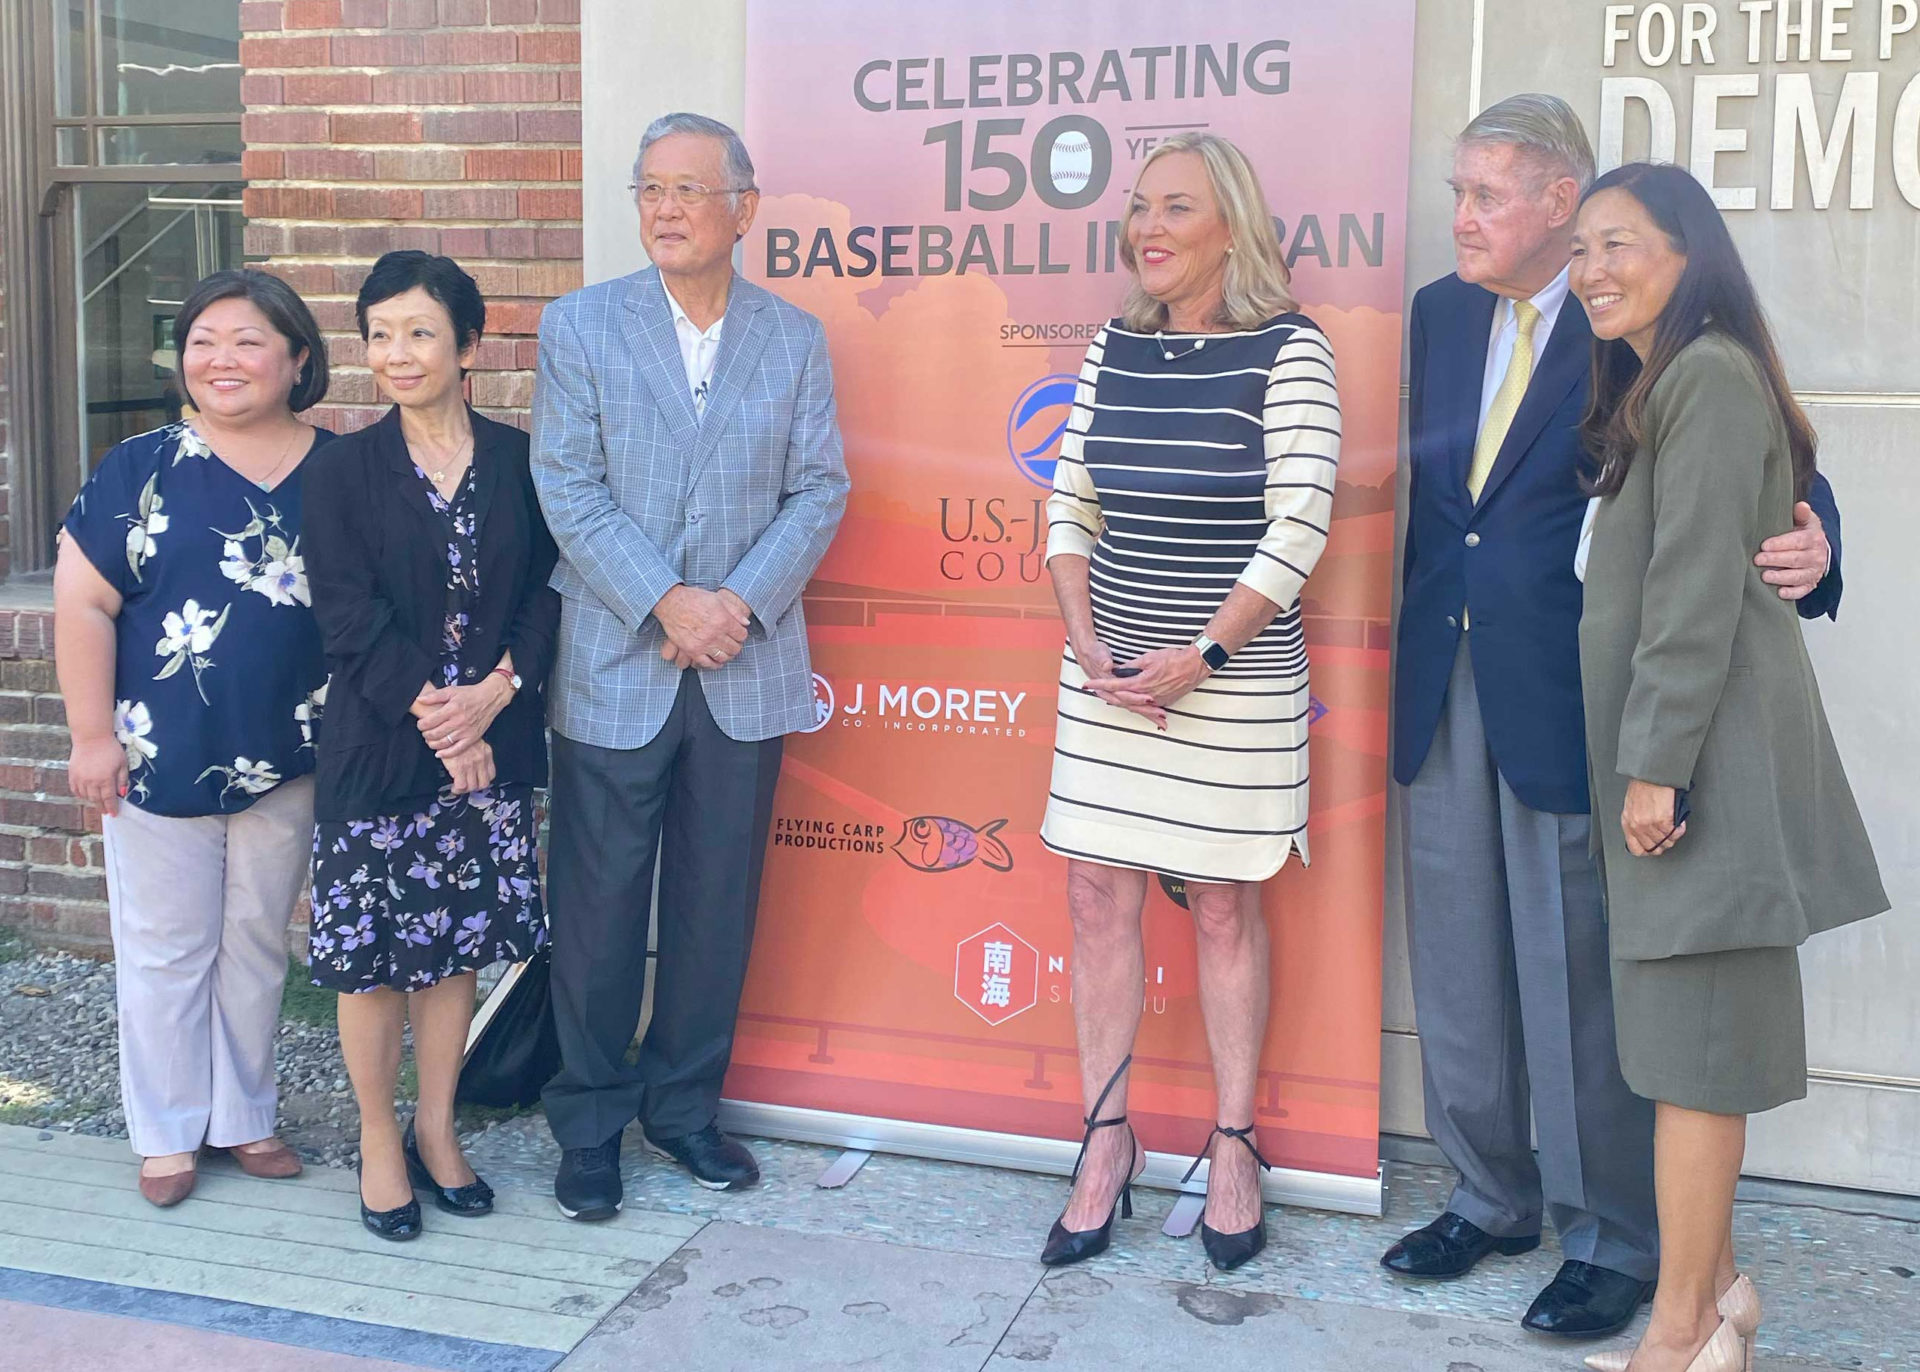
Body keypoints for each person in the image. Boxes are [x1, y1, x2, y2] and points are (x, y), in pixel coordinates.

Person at [1386, 94, 1845, 1338]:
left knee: (1579, 971)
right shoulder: (1436, 315)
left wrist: (1818, 541)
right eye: (1459, 193)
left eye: (1488, 194)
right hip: (1442, 677)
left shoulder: (1631, 317)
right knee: (1461, 956)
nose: (1464, 217)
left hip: (1580, 693)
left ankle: (1614, 1237)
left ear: (1559, 200)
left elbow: (1762, 463)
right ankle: (1488, 1197)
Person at [1570, 163, 1887, 1372]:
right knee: (1686, 1058)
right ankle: (1720, 1298)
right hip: (1678, 769)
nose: (1594, 268)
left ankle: (1681, 1333)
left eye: (1621, 243)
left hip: (1696, 779)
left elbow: (1696, 592)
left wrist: (1654, 769)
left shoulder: (1702, 374)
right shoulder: (1666, 376)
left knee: (1694, 1065)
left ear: (1687, 252)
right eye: (1583, 248)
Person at [531, 112, 848, 1220]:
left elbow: (821, 489)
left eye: (687, 190)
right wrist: (668, 600)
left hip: (744, 668)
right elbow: (566, 485)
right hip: (619, 662)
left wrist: (736, 605)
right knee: (601, 907)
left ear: (742, 211)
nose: (664, 208)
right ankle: (591, 1123)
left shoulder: (794, 337)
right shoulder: (580, 327)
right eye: (649, 187)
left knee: (717, 908)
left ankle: (683, 1110)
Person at [1038, 132, 1339, 1272]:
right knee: (1097, 897)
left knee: (1220, 906)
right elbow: (1070, 507)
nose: (1146, 229)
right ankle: (1104, 1144)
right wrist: (1087, 643)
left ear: (1232, 226)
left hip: (1229, 690)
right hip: (1107, 683)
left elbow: (1297, 526)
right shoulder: (1114, 346)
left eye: (1174, 208)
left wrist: (1199, 658)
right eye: (1137, 208)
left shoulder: (1290, 352)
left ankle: (1233, 1145)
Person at [54, 269, 333, 1207]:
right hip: (154, 753)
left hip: (290, 754)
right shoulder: (138, 468)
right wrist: (91, 735)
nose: (222, 359)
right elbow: (84, 603)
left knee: (256, 941)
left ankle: (245, 1116)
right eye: (204, 339)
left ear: (297, 359)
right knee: (166, 945)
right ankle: (168, 1132)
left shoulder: (341, 474)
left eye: (249, 340)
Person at [303, 251, 559, 1241]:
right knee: (372, 961)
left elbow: (545, 593)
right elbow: (346, 616)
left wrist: (491, 698)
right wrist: (441, 718)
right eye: (379, 334)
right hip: (380, 746)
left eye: (418, 331)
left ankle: (439, 1127)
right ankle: (378, 1139)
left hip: (491, 739)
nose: (396, 354)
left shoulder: (521, 461)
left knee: (452, 948)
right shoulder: (342, 469)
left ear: (469, 344)